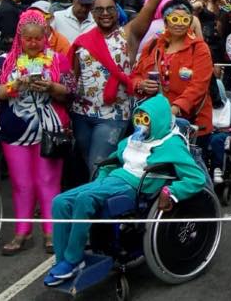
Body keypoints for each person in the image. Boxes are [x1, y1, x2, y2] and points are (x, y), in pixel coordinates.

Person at [43, 94, 207, 286]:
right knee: (60, 201)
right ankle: (63, 260)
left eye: (146, 120)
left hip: (136, 185)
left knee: (84, 200)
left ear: (158, 119)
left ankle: (73, 260)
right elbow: (113, 159)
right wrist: (102, 178)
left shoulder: (171, 143)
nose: (140, 124)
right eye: (138, 119)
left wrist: (171, 191)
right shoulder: (134, 138)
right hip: (113, 179)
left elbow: (196, 178)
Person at [67, 0, 183, 175]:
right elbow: (72, 78)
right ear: (92, 13)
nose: (105, 13)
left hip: (113, 117)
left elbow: (150, 7)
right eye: (99, 9)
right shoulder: (82, 41)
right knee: (89, 165)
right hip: (81, 115)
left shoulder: (128, 34)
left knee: (97, 166)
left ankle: (98, 208)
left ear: (117, 10)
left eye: (110, 8)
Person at [0, 11, 76, 255]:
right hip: (15, 132)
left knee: (48, 182)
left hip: (50, 131)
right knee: (21, 184)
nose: (33, 43)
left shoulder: (57, 59)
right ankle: (21, 232)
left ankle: (51, 232)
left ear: (45, 36)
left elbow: (72, 90)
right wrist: (13, 86)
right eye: (28, 39)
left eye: (38, 38)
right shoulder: (6, 61)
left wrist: (52, 87)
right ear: (20, 38)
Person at [132, 0, 214, 136]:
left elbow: (199, 85)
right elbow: (136, 75)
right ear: (166, 21)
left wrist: (175, 108)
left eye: (185, 19)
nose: (180, 23)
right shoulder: (153, 45)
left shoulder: (199, 48)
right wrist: (141, 84)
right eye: (175, 19)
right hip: (155, 120)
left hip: (191, 122)